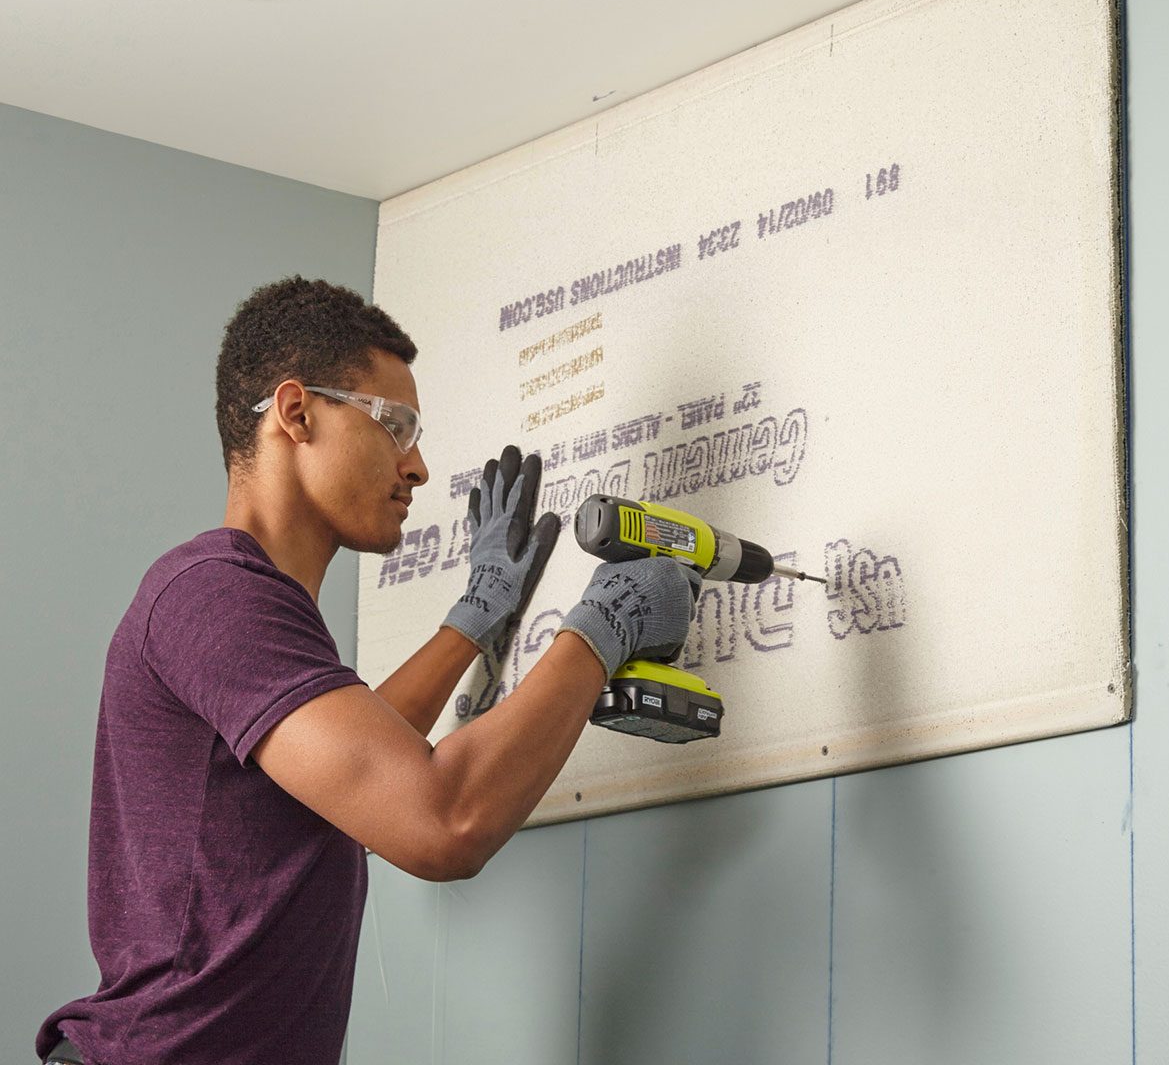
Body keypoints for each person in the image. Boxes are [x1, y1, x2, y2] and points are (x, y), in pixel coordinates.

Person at [36, 276, 698, 1065]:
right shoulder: (213, 595)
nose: (417, 467)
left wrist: (474, 617)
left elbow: (359, 770)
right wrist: (604, 624)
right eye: (395, 426)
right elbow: (439, 822)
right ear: (296, 413)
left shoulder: (245, 609)